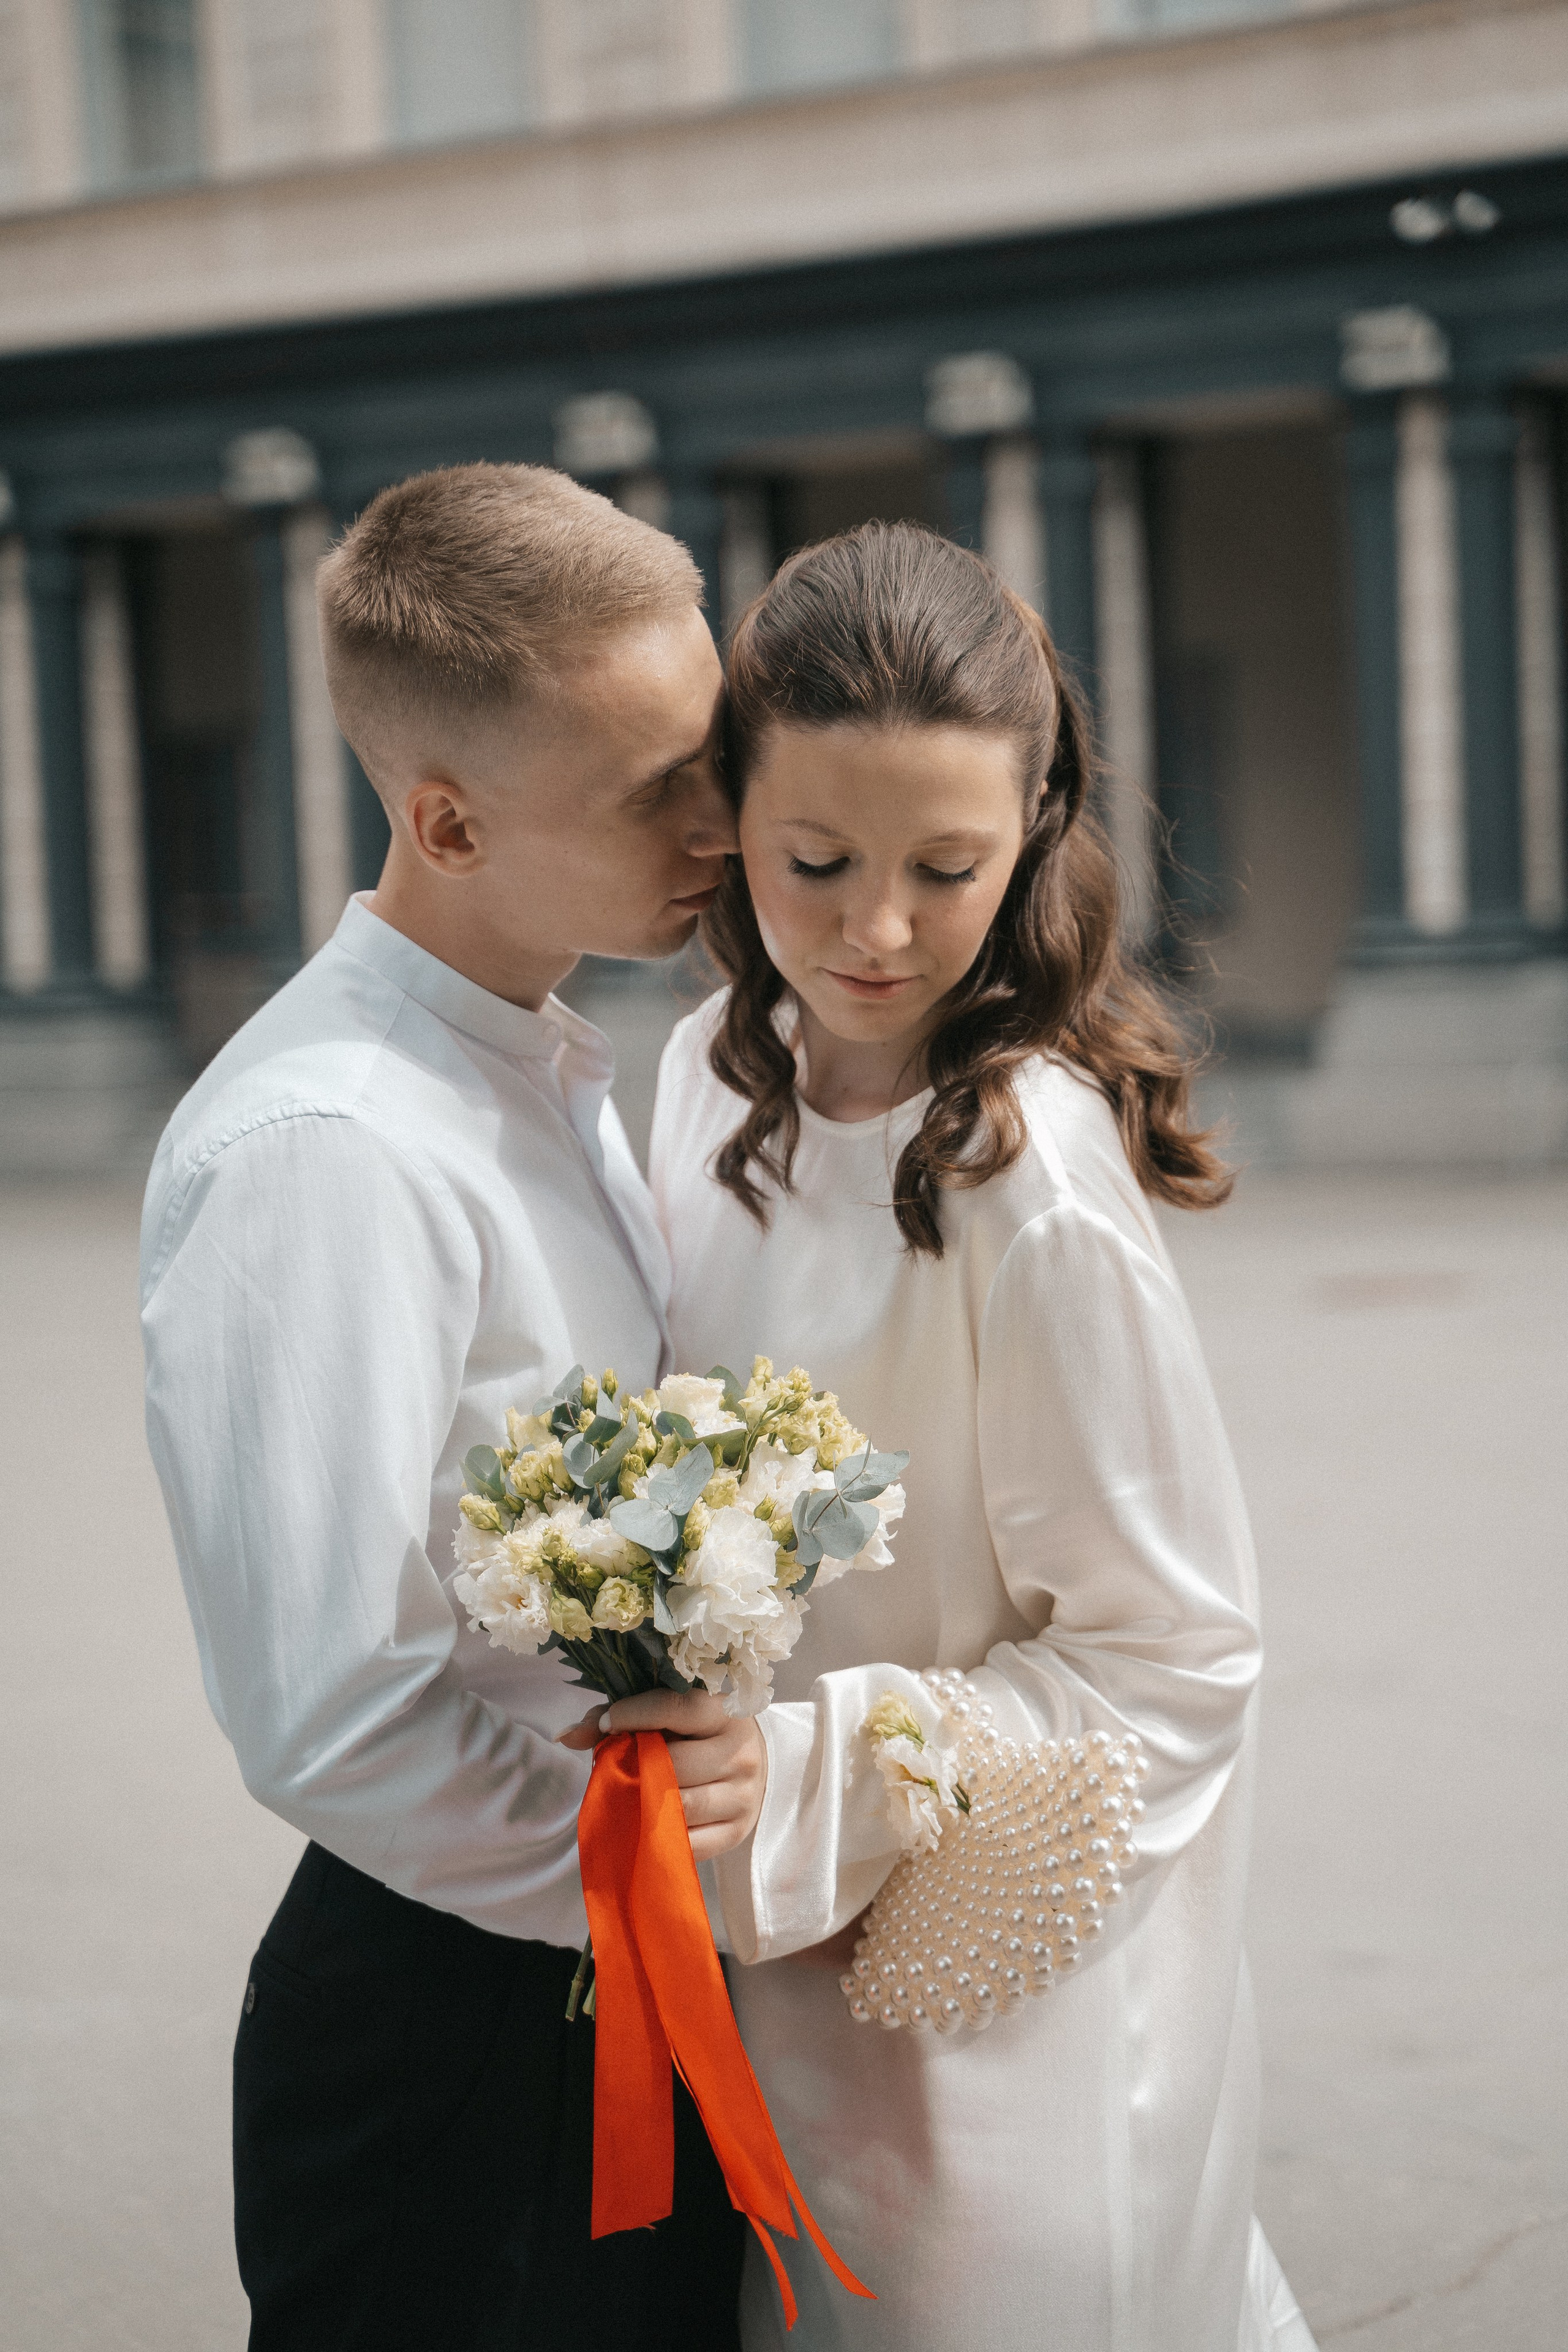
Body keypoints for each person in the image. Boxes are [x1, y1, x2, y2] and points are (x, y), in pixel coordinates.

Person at [610, 521, 1317, 2349]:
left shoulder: (1026, 1175)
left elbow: (1179, 1653)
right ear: (729, 819)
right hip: (743, 1941)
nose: (878, 933)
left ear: (1036, 832)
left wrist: (825, 1769)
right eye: (815, 861)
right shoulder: (705, 1075)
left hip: (986, 1977)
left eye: (949, 867)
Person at [139, 461, 765, 2351]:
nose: (723, 820)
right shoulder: (329, 1150)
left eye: (711, 750)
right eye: (653, 786)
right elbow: (335, 1712)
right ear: (448, 819)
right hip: (466, 2035)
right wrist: (662, 1907)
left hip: (604, 1969)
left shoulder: (552, 1060)